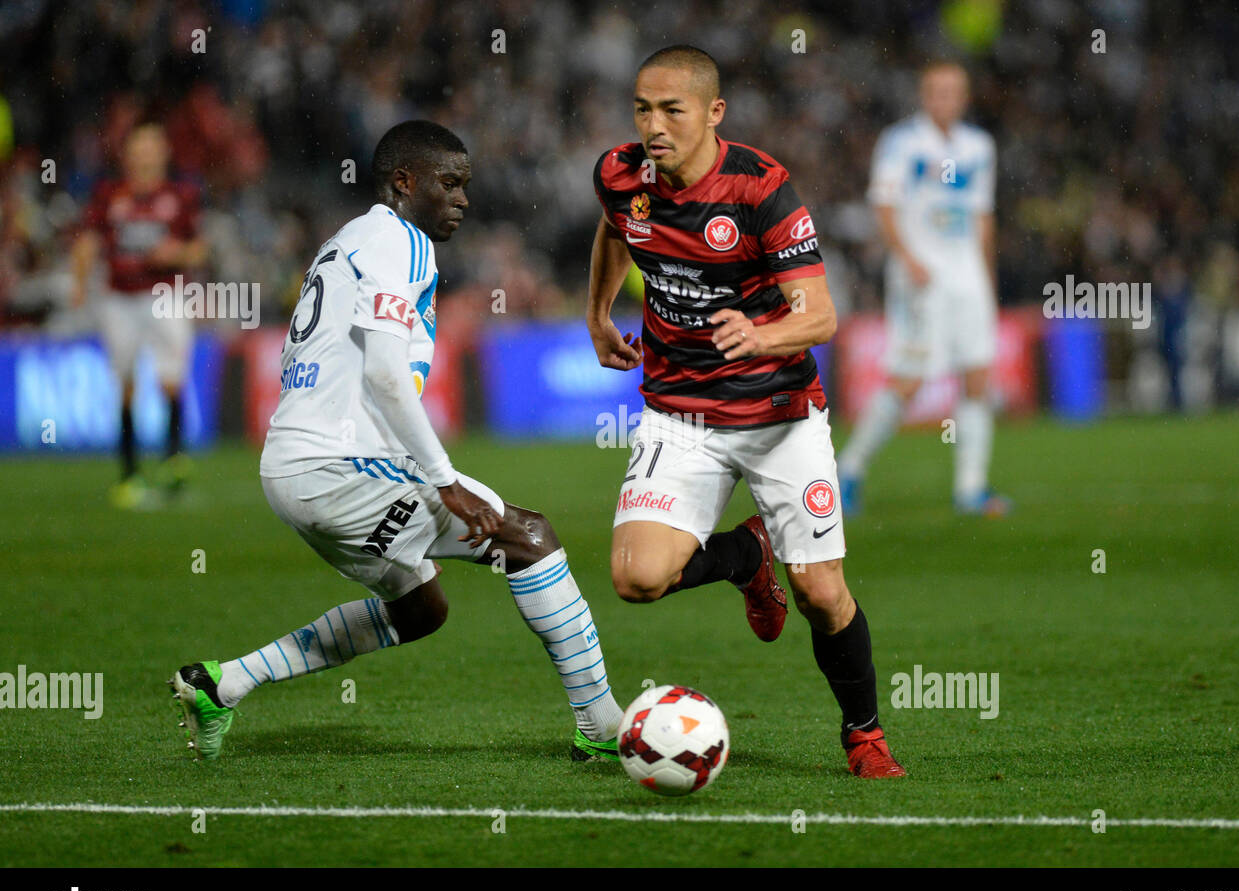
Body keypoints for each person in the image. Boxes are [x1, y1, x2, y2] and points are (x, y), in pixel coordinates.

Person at [169, 121, 623, 762]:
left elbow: (373, 370)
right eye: (450, 183)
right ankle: (605, 729)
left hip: (295, 470)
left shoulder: (348, 241)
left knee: (420, 610)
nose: (463, 198)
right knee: (528, 538)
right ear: (404, 182)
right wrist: (443, 480)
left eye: (467, 185)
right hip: (334, 465)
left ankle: (225, 683)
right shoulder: (400, 240)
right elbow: (384, 374)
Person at [585, 46, 904, 778]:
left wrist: (760, 334)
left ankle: (863, 732)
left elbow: (820, 315)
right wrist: (599, 313)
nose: (653, 126)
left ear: (713, 112)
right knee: (636, 578)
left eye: (672, 110)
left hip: (779, 415)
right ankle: (746, 556)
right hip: (679, 415)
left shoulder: (762, 189)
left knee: (822, 592)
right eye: (642, 108)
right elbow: (613, 228)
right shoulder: (620, 176)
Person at [838, 61, 1010, 516]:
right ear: (923, 94)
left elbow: (982, 214)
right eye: (936, 90)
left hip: (966, 275)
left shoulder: (978, 145)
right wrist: (907, 257)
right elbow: (884, 203)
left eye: (953, 90)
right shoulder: (902, 142)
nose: (944, 98)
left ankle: (970, 489)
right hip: (919, 275)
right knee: (909, 380)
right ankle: (848, 469)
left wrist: (985, 276)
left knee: (977, 374)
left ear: (965, 96)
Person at [72, 122, 207, 507]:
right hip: (119, 298)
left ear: (164, 152)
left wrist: (175, 254)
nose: (145, 154)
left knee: (171, 377)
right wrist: (79, 282)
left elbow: (198, 249)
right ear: (127, 154)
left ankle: (172, 458)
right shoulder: (109, 193)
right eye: (139, 147)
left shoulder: (181, 195)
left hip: (166, 295)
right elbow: (89, 239)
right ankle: (130, 472)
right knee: (126, 382)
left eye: (152, 146)